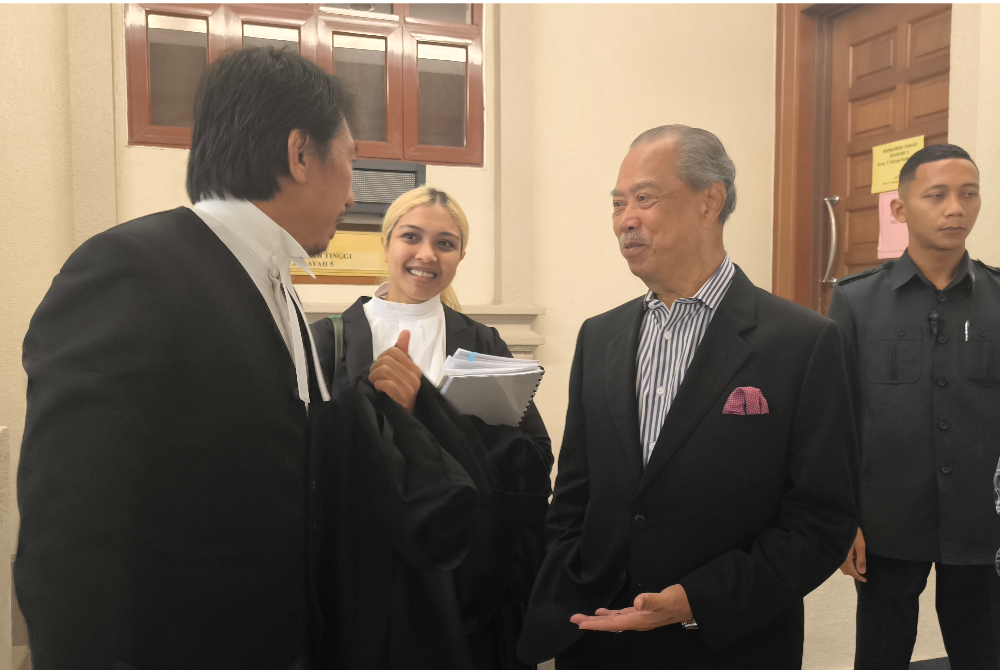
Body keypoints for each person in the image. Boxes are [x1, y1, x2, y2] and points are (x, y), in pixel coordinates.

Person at [14, 48, 478, 670]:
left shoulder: (278, 288)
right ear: (300, 154)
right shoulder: (134, 269)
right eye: (350, 161)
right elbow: (71, 533)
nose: (352, 191)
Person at [517, 125, 857, 669]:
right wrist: (565, 589)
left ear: (710, 201)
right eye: (618, 203)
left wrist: (696, 600)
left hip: (725, 644)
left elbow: (820, 523)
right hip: (598, 640)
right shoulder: (599, 336)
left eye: (645, 198)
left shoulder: (803, 342)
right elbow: (576, 496)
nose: (626, 219)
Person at [310, 186, 554, 670]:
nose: (426, 254)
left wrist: (418, 409)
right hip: (365, 571)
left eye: (445, 243)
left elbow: (533, 458)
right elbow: (313, 458)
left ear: (461, 255)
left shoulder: (482, 341)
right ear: (385, 244)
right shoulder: (329, 340)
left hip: (460, 570)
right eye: (411, 237)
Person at [829, 144, 1000, 670]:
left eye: (968, 194)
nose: (956, 208)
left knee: (984, 652)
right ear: (900, 209)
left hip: (982, 523)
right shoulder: (856, 302)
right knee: (880, 652)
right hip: (885, 521)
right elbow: (836, 419)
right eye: (938, 195)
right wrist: (843, 521)